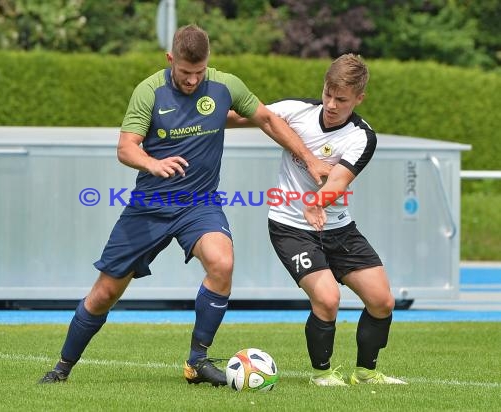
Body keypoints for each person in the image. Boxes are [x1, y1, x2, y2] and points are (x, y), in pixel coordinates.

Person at [38, 24, 330, 386]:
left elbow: (268, 119)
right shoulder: (149, 91)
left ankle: (197, 361)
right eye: (185, 72)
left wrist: (309, 160)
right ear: (170, 59)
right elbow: (125, 147)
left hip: (199, 204)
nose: (192, 80)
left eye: (199, 72)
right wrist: (152, 163)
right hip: (149, 205)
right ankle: (62, 367)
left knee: (222, 262)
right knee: (104, 294)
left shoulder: (226, 86)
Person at [229, 54, 407, 386]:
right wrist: (196, 121)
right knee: (327, 299)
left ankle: (366, 373)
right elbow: (248, 116)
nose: (331, 103)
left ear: (359, 98)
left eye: (341, 99)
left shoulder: (361, 137)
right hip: (290, 226)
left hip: (338, 229)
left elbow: (339, 181)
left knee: (382, 301)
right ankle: (321, 374)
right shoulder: (298, 111)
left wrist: (317, 201)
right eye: (328, 93)